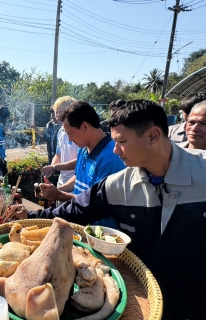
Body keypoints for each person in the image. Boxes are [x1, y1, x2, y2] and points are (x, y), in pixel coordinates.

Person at [13, 100, 206, 319]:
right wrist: (31, 216)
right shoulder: (117, 185)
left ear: (152, 135)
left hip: (195, 304)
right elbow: (74, 209)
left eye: (121, 141)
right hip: (140, 300)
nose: (115, 150)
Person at [39, 101, 125, 228]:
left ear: (84, 127)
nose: (69, 139)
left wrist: (59, 195)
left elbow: (96, 205)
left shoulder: (110, 158)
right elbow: (78, 178)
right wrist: (58, 190)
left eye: (70, 133)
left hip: (99, 232)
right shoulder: (83, 148)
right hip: (81, 224)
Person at [48, 96, 78, 191]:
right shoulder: (60, 132)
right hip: (62, 181)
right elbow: (58, 154)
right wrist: (51, 167)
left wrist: (54, 167)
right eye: (57, 111)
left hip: (76, 182)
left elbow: (82, 160)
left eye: (62, 111)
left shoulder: (79, 132)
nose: (58, 114)